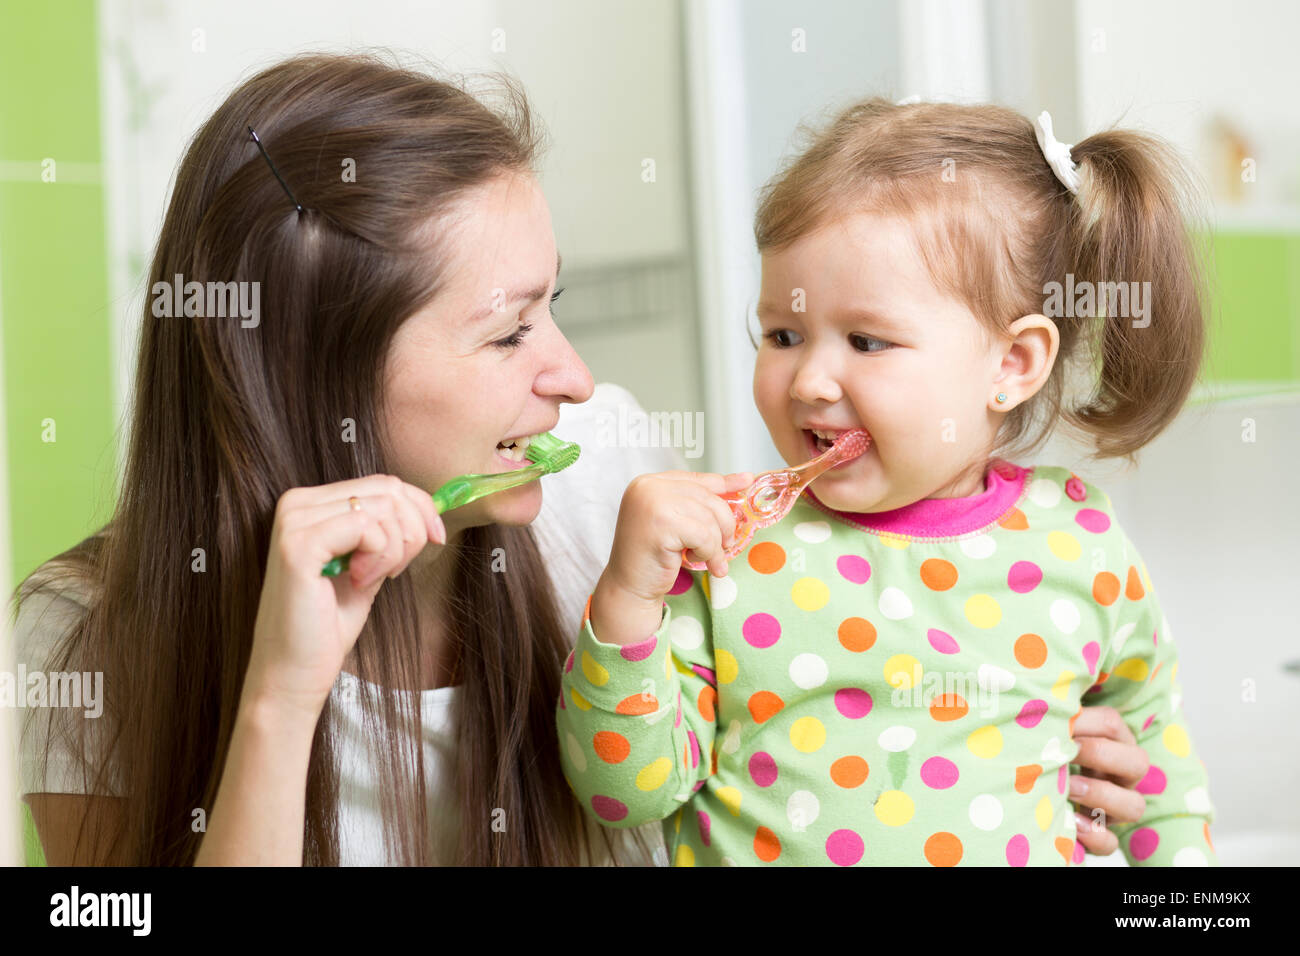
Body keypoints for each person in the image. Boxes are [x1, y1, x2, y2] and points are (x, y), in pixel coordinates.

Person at [10, 56, 1151, 866]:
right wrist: (279, 698)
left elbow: (797, 705)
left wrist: (1002, 723)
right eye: (508, 331)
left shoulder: (605, 476)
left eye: (555, 304)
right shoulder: (85, 631)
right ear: (319, 373)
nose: (569, 372)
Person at [559, 98, 1217, 866]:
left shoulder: (1086, 547)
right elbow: (623, 794)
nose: (808, 379)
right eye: (782, 334)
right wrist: (627, 600)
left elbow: (1161, 789)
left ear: (1012, 365)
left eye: (866, 340)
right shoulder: (730, 545)